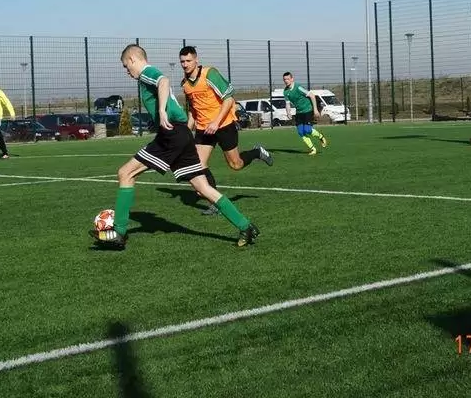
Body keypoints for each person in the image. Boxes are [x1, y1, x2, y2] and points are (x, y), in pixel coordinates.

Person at [92, 44, 260, 249]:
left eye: (126, 66)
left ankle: (119, 232)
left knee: (125, 173)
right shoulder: (145, 77)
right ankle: (245, 226)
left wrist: (162, 111)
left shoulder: (146, 73)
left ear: (133, 59)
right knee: (203, 187)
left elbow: (163, 81)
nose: (127, 71)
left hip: (170, 135)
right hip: (182, 134)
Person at [178, 46, 273, 215]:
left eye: (188, 61)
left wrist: (216, 122)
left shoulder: (210, 74)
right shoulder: (185, 84)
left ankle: (257, 152)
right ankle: (215, 202)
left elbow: (228, 99)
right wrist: (187, 130)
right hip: (203, 129)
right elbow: (193, 109)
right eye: (182, 61)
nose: (185, 64)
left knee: (236, 165)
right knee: (197, 165)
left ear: (196, 60)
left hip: (223, 125)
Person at [282, 72, 327, 155]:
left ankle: (321, 137)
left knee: (307, 130)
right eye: (284, 79)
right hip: (299, 112)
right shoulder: (285, 92)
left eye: (288, 79)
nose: (286, 81)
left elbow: (312, 95)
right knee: (300, 132)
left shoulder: (298, 87)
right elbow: (287, 104)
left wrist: (315, 110)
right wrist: (288, 113)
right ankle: (313, 149)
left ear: (292, 79)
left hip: (307, 110)